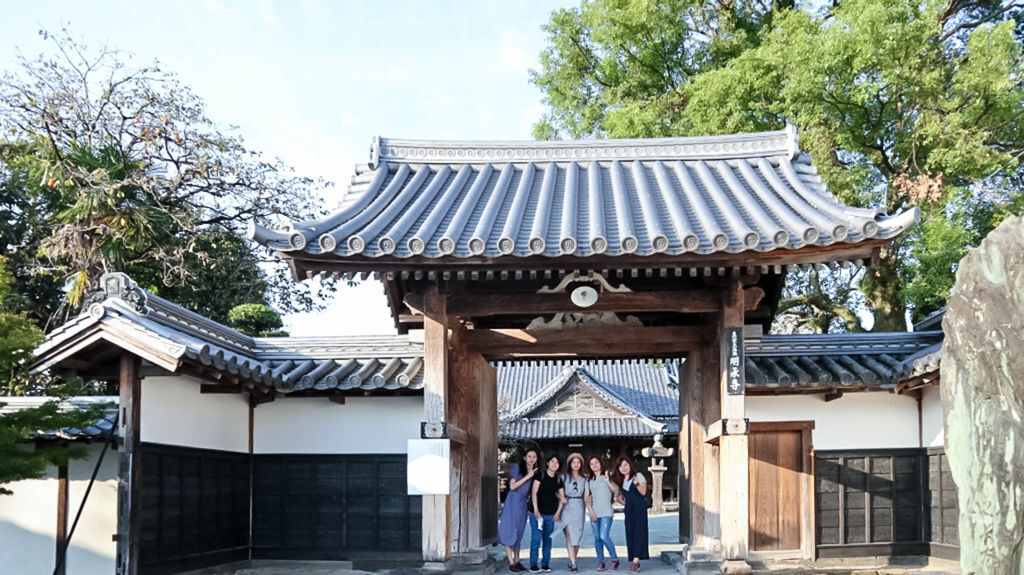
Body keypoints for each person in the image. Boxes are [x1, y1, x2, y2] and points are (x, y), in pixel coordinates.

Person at [498, 448, 539, 572]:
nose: (532, 459)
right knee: (509, 529)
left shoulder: (534, 471)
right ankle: (511, 563)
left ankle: (517, 560)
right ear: (524, 458)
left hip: (522, 503)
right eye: (529, 456)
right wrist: (528, 476)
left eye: (534, 457)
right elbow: (512, 486)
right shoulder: (517, 468)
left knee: (519, 531)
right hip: (513, 501)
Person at [611, 456, 649, 573]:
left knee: (639, 533)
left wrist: (637, 484)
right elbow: (624, 499)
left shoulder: (638, 476)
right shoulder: (622, 481)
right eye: (620, 466)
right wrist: (619, 499)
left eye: (625, 465)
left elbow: (643, 492)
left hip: (640, 509)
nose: (623, 468)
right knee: (630, 534)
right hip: (629, 510)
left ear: (630, 465)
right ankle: (633, 558)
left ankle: (636, 561)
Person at [584, 455, 620, 571]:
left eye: (596, 463)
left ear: (600, 463)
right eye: (591, 464)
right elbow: (586, 498)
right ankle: (601, 562)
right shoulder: (588, 480)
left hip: (606, 512)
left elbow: (616, 491)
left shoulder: (608, 475)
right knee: (597, 538)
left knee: (604, 536)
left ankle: (614, 559)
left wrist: (608, 481)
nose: (594, 465)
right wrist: (591, 512)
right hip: (594, 512)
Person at [531, 454, 565, 573]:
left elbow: (563, 498)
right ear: (547, 463)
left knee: (548, 539)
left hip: (550, 514)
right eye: (552, 461)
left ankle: (545, 563)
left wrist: (557, 513)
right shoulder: (540, 475)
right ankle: (533, 564)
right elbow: (534, 493)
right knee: (536, 538)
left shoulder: (558, 479)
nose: (554, 464)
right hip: (536, 513)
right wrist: (536, 509)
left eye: (557, 462)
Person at [560, 453, 587, 572]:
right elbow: (556, 491)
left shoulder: (585, 479)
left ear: (581, 464)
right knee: (569, 535)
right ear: (569, 464)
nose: (576, 464)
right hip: (567, 506)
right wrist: (561, 498)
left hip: (579, 506)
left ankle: (573, 559)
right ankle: (573, 562)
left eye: (578, 462)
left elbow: (586, 496)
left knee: (577, 536)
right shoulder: (563, 477)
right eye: (573, 462)